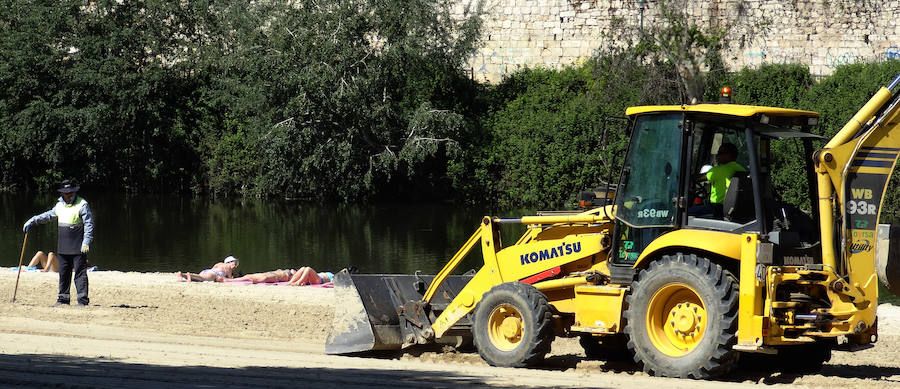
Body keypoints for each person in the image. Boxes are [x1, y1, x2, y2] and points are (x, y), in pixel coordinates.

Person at [23, 179, 94, 306]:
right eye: (66, 193)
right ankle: (63, 299)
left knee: (80, 274)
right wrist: (32, 221)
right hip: (63, 247)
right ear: (62, 193)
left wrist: (86, 241)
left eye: (71, 192)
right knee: (64, 274)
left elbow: (89, 225)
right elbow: (48, 215)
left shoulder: (82, 204)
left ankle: (82, 301)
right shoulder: (59, 205)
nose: (69, 195)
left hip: (78, 246)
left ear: (74, 192)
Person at [689, 142, 746, 219]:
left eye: (720, 153)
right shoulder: (741, 169)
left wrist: (686, 175)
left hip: (717, 208)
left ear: (730, 155)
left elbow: (697, 178)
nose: (717, 155)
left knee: (686, 213)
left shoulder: (719, 170)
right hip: (734, 209)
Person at [223, 268, 296, 284]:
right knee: (248, 276)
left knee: (264, 278)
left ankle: (256, 281)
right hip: (271, 273)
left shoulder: (293, 274)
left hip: (277, 277)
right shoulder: (293, 271)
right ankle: (229, 280)